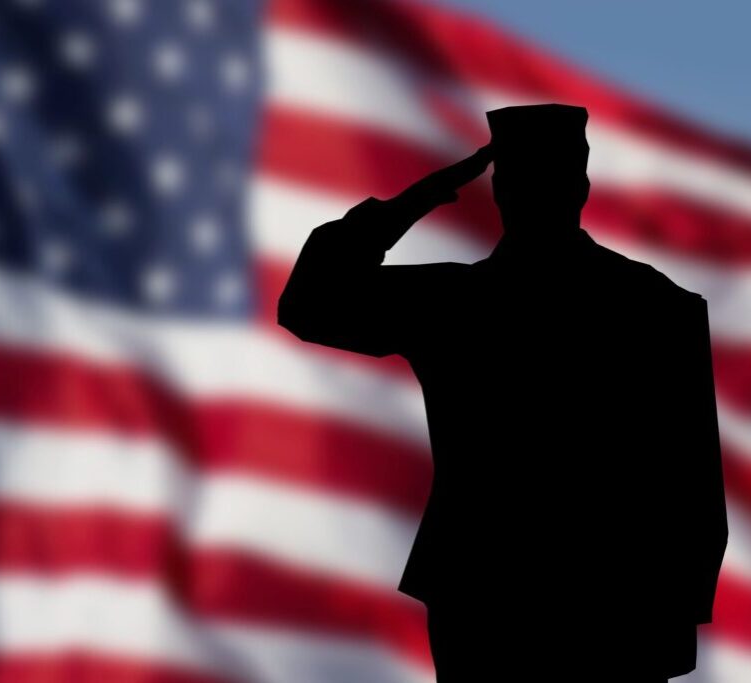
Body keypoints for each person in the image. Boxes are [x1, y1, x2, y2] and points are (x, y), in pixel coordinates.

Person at [277, 103, 728, 682]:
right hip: (614, 611)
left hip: (487, 598)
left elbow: (310, 301)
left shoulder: (455, 303)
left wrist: (409, 205)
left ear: (499, 191)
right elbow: (694, 483)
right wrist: (669, 622)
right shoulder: (659, 307)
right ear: (581, 185)